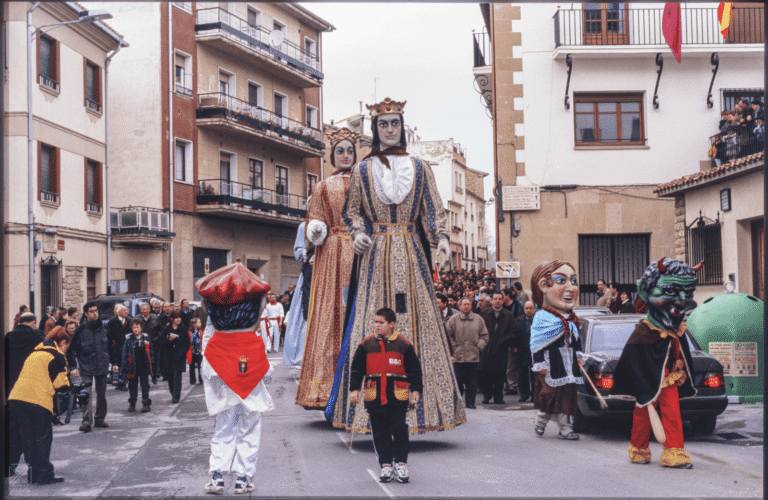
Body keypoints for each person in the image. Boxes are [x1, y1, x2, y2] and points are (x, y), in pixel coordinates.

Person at [329, 97, 465, 434]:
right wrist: (359, 232)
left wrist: (442, 238)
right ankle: (369, 412)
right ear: (375, 129)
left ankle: (424, 410)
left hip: (411, 248)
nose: (390, 129)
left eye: (395, 123)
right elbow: (353, 210)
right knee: (371, 319)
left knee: (419, 321)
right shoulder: (362, 170)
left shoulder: (420, 168)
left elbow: (433, 208)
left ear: (401, 127)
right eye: (383, 124)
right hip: (375, 254)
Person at [611, 258, 698, 468]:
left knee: (673, 412)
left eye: (687, 293)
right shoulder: (642, 332)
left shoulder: (677, 328)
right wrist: (640, 381)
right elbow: (632, 360)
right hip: (648, 380)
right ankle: (639, 449)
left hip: (668, 378)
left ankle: (674, 453)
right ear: (646, 292)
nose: (681, 301)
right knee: (642, 415)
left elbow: (678, 349)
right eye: (670, 291)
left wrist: (679, 362)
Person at [196, 262, 273, 494]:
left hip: (219, 364)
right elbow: (266, 373)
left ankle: (217, 476)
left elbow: (206, 363)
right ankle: (243, 477)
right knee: (249, 427)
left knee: (223, 427)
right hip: (250, 363)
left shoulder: (215, 331)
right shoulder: (253, 330)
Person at [296, 127, 359, 409]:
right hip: (332, 249)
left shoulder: (365, 183)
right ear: (332, 156)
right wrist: (317, 228)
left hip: (360, 247)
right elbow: (315, 219)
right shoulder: (322, 186)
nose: (345, 155)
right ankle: (325, 387)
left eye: (349, 150)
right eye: (340, 151)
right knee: (331, 309)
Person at [349, 308, 423, 483]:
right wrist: (354, 389)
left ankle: (401, 464)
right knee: (380, 432)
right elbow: (357, 369)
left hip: (397, 396)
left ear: (392, 324)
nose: (377, 325)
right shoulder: (366, 344)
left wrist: (416, 389)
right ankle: (386, 466)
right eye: (376, 322)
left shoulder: (403, 344)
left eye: (381, 322)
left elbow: (414, 370)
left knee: (399, 428)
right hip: (374, 396)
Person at [7, 327, 71, 484]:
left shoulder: (35, 353)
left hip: (16, 398)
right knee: (42, 437)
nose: (66, 349)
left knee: (26, 437)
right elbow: (60, 384)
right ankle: (43, 474)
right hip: (38, 400)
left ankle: (32, 472)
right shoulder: (57, 355)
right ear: (62, 342)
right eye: (66, 346)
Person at [529, 261, 584, 440]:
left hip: (568, 361)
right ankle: (541, 421)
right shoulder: (542, 318)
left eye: (574, 281)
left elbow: (576, 340)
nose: (571, 288)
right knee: (550, 395)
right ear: (543, 286)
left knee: (567, 394)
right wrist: (539, 364)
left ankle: (565, 428)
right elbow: (536, 344)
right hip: (551, 361)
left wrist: (578, 356)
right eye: (561, 280)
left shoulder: (572, 318)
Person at [67, 301, 110, 432]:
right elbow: (71, 350)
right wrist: (73, 367)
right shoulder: (81, 329)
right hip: (86, 367)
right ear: (86, 314)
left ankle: (100, 418)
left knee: (102, 395)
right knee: (85, 394)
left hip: (101, 366)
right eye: (91, 311)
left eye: (96, 310)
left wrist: (114, 363)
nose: (95, 313)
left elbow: (110, 347)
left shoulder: (103, 327)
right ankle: (86, 421)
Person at [445, 297, 488, 409]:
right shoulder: (453, 319)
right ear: (460, 306)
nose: (466, 306)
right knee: (458, 381)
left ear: (471, 306)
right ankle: (458, 403)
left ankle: (471, 402)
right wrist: (454, 348)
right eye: (464, 304)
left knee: (472, 382)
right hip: (458, 357)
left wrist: (478, 347)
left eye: (468, 304)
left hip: (473, 356)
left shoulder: (478, 319)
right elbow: (448, 335)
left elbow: (484, 335)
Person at [283, 219, 311, 369]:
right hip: (311, 271)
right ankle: (302, 354)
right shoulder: (304, 226)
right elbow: (299, 250)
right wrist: (306, 254)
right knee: (305, 311)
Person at [479, 292, 515, 404]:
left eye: (500, 299)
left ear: (503, 301)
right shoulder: (484, 313)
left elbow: (513, 332)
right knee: (486, 374)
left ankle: (498, 396)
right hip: (486, 349)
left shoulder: (508, 315)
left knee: (499, 375)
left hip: (501, 350)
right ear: (491, 301)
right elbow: (479, 329)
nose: (497, 301)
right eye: (495, 299)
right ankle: (487, 396)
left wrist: (505, 340)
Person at [6, 312, 45, 396]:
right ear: (32, 323)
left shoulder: (8, 336)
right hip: (30, 375)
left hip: (11, 375)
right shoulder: (38, 337)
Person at [121, 317, 153, 412]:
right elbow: (125, 354)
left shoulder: (146, 339)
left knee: (145, 385)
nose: (135, 329)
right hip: (132, 367)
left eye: (137, 327)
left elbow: (151, 351)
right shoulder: (128, 341)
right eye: (134, 327)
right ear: (131, 328)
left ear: (141, 328)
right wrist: (125, 366)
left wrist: (153, 363)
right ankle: (132, 403)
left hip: (143, 366)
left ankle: (146, 404)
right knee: (132, 385)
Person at [160, 311, 190, 404]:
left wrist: (183, 351)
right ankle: (173, 393)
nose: (178, 319)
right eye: (176, 318)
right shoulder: (166, 329)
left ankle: (176, 396)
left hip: (179, 356)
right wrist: (169, 340)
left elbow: (187, 342)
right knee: (170, 376)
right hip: (169, 356)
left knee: (177, 376)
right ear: (172, 319)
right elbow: (162, 343)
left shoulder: (184, 329)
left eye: (179, 317)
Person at [107, 304, 131, 391]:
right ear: (119, 312)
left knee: (125, 365)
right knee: (116, 365)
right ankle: (117, 382)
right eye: (124, 310)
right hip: (115, 347)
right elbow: (109, 335)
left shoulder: (129, 320)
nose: (126, 312)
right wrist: (112, 344)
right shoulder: (112, 322)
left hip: (126, 346)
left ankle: (124, 383)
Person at [515, 301, 536, 402]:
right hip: (521, 350)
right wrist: (514, 346)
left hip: (535, 351)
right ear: (524, 309)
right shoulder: (519, 320)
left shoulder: (538, 321)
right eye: (527, 308)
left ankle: (535, 395)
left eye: (530, 308)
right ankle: (524, 394)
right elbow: (514, 334)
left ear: (534, 309)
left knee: (535, 374)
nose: (528, 310)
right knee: (521, 374)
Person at [187, 318, 203, 385]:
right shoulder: (189, 333)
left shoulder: (201, 332)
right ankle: (192, 380)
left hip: (199, 351)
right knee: (191, 366)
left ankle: (201, 379)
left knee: (201, 366)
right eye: (199, 322)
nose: (200, 323)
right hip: (192, 351)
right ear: (194, 324)